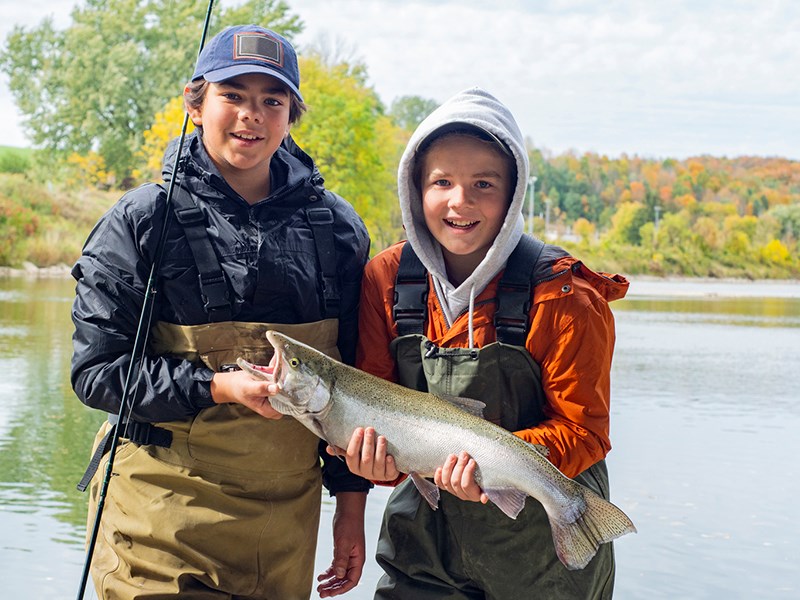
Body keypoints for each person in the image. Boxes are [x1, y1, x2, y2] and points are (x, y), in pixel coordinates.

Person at [71, 24, 371, 600]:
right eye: (233, 95)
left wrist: (351, 506)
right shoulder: (137, 222)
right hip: (157, 516)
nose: (251, 116)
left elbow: (357, 383)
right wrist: (218, 387)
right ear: (196, 103)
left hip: (284, 527)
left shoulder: (338, 231)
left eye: (272, 101)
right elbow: (96, 374)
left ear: (291, 116)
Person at [338, 87, 629, 598]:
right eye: (442, 181)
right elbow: (376, 404)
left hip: (541, 561)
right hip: (422, 552)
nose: (460, 201)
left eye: (484, 184)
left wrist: (489, 470)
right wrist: (371, 464)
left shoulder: (566, 295)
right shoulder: (384, 278)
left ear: (513, 192)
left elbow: (583, 434)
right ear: (414, 188)